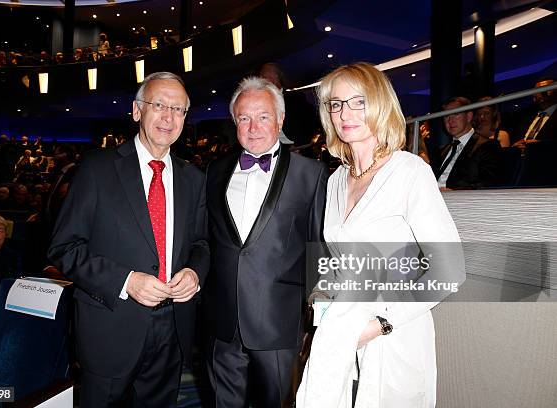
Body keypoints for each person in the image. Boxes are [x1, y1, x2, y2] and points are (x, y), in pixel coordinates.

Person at [296, 63, 462, 408]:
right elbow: (338, 261)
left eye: (358, 102)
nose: (345, 113)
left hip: (393, 333)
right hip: (341, 332)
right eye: (336, 104)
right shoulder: (336, 179)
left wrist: (381, 324)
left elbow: (448, 271)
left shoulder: (410, 171)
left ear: (380, 105)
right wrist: (321, 293)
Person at [48, 72, 210, 407]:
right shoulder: (96, 169)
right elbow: (64, 248)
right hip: (110, 325)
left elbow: (201, 244)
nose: (168, 117)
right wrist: (126, 281)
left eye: (178, 109)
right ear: (137, 110)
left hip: (173, 329)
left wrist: (194, 273)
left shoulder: (193, 178)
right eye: (159, 105)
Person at [203, 76, 328, 407]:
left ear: (281, 119)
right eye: (244, 118)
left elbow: (318, 247)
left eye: (263, 116)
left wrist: (314, 315)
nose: (253, 127)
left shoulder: (311, 174)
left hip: (278, 322)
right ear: (235, 122)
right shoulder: (214, 172)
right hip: (222, 320)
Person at [435, 96, 501, 190]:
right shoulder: (443, 150)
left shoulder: (487, 146)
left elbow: (488, 183)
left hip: (459, 201)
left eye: (456, 114)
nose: (450, 120)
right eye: (446, 116)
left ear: (469, 116)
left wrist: (454, 192)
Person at [512, 77, 556, 147]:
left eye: (547, 88)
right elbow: (517, 141)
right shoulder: (526, 116)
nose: (543, 92)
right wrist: (515, 147)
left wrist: (542, 146)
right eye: (538, 90)